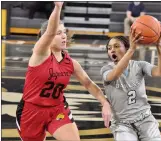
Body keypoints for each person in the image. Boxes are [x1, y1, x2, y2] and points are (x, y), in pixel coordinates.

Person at [16, 2, 111, 141]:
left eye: (64, 32)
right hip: (31, 110)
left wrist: (105, 102)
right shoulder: (40, 54)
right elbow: (49, 32)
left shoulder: (71, 63)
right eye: (58, 33)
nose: (64, 36)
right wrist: (58, 7)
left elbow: (89, 84)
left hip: (57, 108)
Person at [100, 25, 161, 141]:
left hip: (145, 119)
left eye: (116, 46)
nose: (112, 50)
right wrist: (132, 49)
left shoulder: (140, 65)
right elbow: (114, 75)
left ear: (125, 48)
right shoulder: (106, 69)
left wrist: (159, 47)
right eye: (109, 48)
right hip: (122, 124)